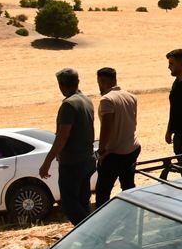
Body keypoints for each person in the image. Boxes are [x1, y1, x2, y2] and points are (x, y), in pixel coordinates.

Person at [39, 68, 96, 225]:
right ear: (77, 82)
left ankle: (87, 231)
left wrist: (47, 161)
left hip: (72, 162)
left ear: (61, 85)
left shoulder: (68, 105)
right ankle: (90, 230)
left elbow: (63, 136)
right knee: (82, 202)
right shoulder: (86, 100)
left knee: (70, 204)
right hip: (87, 159)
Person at [94, 67, 141, 207]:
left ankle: (104, 218)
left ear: (102, 81)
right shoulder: (131, 96)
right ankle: (131, 212)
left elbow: (106, 127)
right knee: (128, 186)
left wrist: (102, 150)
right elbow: (134, 122)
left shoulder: (107, 100)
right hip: (132, 148)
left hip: (114, 153)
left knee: (102, 192)